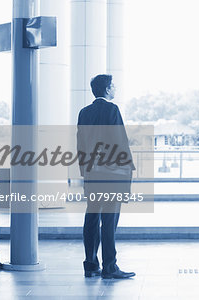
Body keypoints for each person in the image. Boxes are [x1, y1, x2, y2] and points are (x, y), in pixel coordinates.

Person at [77, 74, 136, 279]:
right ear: (107, 89)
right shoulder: (112, 110)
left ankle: (90, 264)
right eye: (113, 86)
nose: (115, 88)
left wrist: (84, 172)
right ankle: (110, 266)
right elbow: (119, 142)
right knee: (109, 220)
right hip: (111, 175)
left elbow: (81, 145)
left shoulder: (84, 113)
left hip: (92, 174)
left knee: (92, 217)